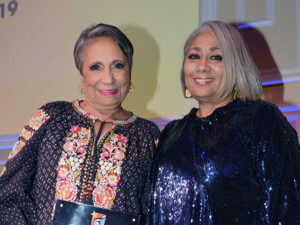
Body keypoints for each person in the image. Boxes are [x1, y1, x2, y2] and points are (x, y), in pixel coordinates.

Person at [0, 23, 160, 225]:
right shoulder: (51, 118)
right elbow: (9, 192)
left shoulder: (147, 136)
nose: (108, 78)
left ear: (130, 72)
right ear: (82, 75)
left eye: (118, 65)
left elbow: (155, 211)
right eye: (96, 67)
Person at [148, 20, 300, 224]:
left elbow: (288, 204)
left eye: (216, 57)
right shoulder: (171, 133)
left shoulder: (262, 120)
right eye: (194, 56)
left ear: (236, 68)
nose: (202, 66)